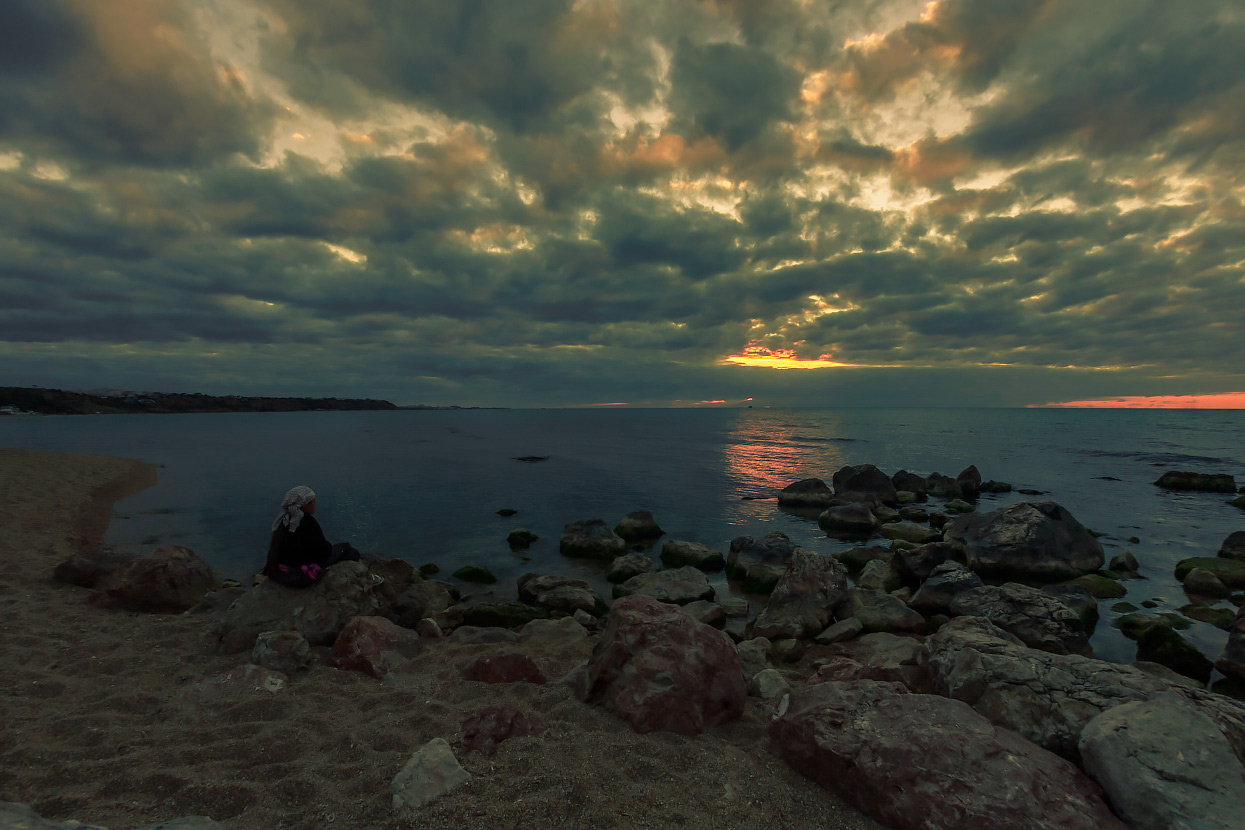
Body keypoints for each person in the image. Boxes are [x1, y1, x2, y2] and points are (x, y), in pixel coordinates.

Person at [262, 485, 360, 587]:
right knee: (346, 548)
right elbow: (324, 552)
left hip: (283, 574)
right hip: (298, 576)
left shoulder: (283, 521)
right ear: (304, 505)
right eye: (313, 502)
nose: (315, 504)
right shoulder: (307, 522)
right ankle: (363, 573)